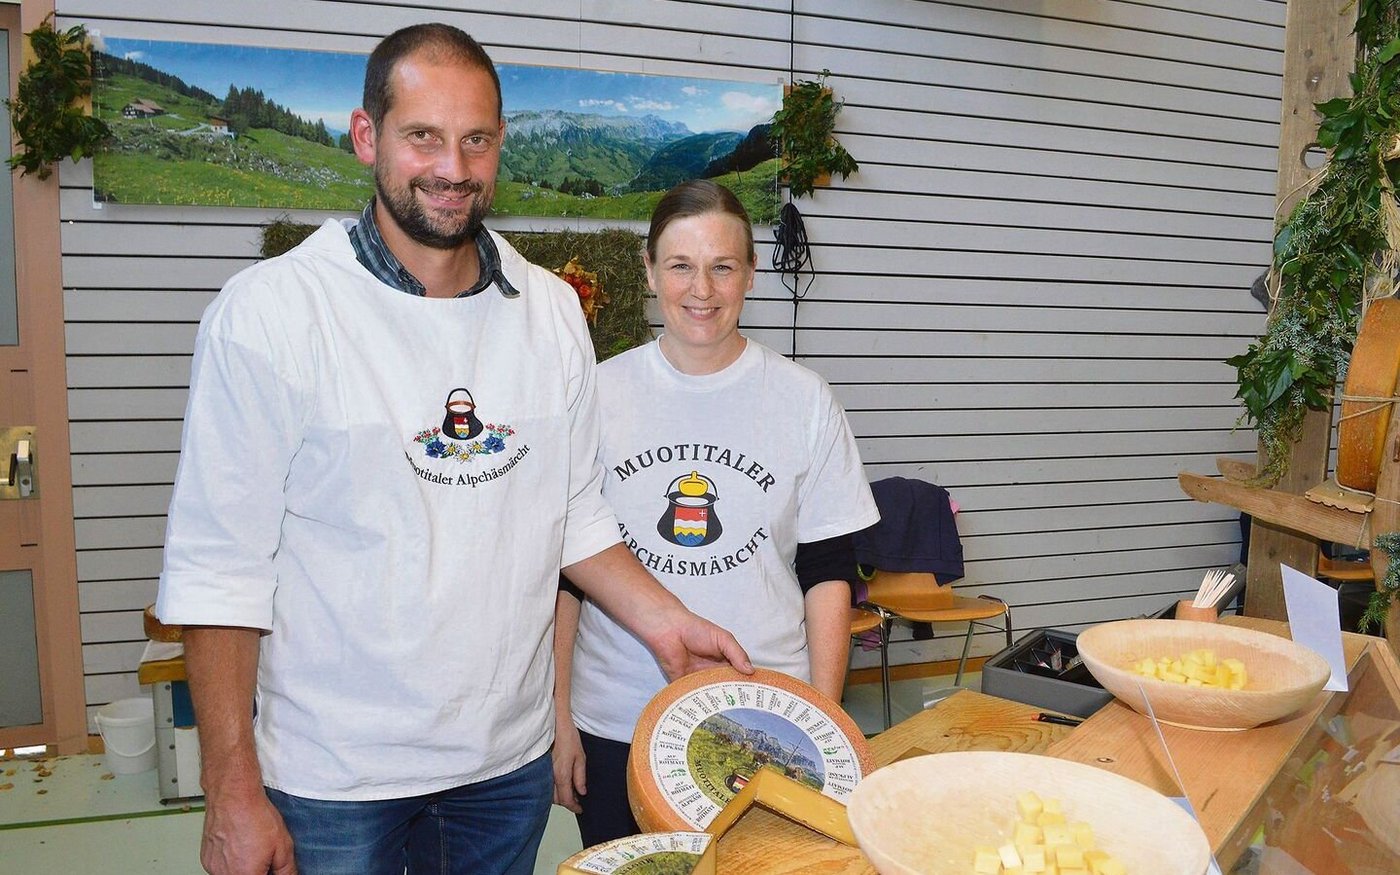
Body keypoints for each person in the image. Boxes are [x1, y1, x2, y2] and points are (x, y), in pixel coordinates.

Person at [154, 24, 750, 875]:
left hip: (502, 767)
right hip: (335, 777)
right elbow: (219, 571)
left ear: (500, 144)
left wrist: (668, 622)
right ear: (367, 137)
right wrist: (231, 788)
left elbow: (575, 513)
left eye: (475, 140)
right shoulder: (271, 315)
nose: (453, 167)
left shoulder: (549, 312)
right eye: (422, 136)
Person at [551, 180, 880, 846]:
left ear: (751, 275)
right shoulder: (597, 394)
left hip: (766, 717)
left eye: (722, 266)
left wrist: (824, 721)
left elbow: (826, 572)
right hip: (618, 719)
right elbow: (566, 572)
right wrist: (560, 718)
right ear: (649, 270)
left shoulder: (805, 400)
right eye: (680, 265)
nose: (701, 288)